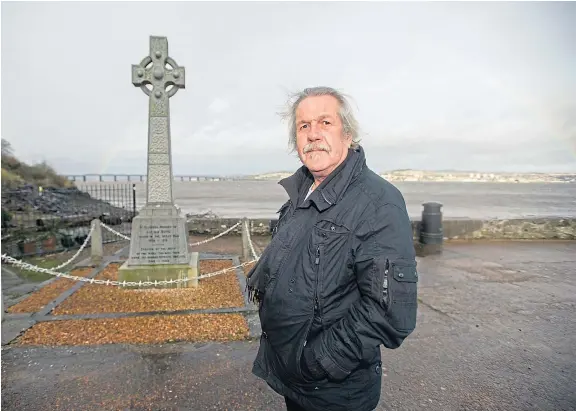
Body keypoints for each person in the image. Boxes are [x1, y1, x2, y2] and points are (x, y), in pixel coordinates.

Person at [246, 86, 418, 411]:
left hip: (334, 392)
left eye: (325, 123)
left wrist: (317, 361)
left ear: (348, 134)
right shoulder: (302, 194)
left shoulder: (378, 203)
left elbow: (390, 312)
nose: (313, 135)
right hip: (293, 380)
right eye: (303, 126)